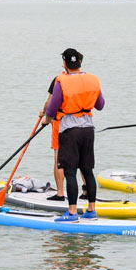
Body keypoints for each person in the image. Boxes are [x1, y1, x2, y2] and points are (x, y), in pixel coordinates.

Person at [44, 48, 105, 221]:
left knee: (70, 171)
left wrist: (46, 120)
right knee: (88, 170)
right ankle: (91, 210)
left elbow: (52, 108)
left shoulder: (61, 81)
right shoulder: (93, 79)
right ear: (79, 62)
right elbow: (100, 105)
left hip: (70, 130)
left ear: (64, 64)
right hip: (88, 129)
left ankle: (72, 212)